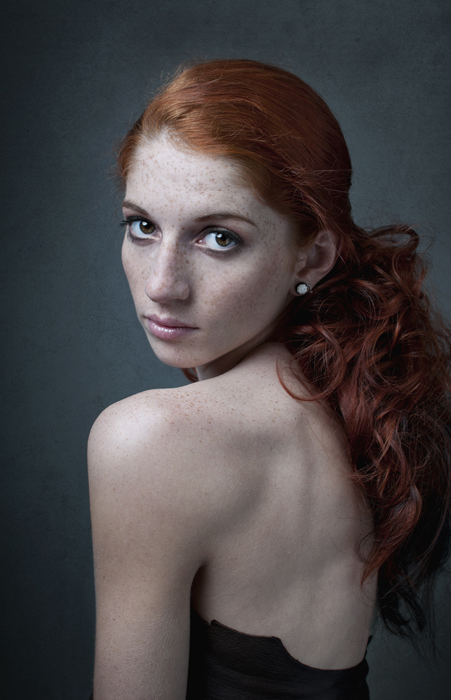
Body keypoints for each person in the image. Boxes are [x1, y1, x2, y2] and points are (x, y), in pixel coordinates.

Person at [87, 59, 451, 699]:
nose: (162, 284)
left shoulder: (150, 439)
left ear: (311, 256)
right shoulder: (352, 406)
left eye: (218, 238)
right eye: (142, 226)